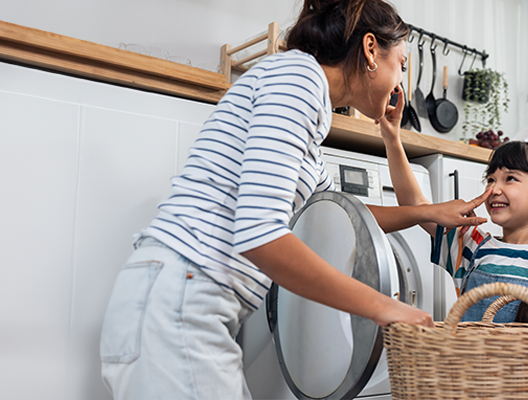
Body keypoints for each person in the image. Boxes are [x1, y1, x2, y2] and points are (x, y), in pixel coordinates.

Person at [99, 1, 491, 399]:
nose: (400, 82)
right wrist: (382, 306)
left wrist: (422, 213)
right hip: (180, 299)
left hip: (187, 299)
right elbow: (260, 234)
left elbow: (332, 216)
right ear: (371, 50)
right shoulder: (298, 78)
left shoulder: (307, 107)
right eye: (402, 64)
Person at [382, 129, 528, 326]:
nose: (494, 189)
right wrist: (392, 136)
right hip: (471, 373)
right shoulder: (470, 245)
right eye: (490, 179)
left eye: (510, 178)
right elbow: (415, 205)